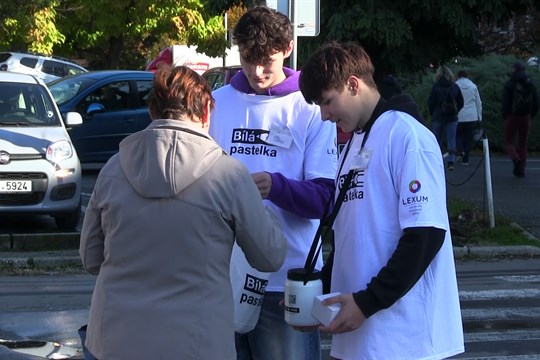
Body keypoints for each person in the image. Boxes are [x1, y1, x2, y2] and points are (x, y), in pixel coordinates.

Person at [79, 65, 287, 360]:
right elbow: (270, 256)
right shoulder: (228, 175)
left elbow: (90, 258)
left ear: (153, 112)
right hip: (199, 343)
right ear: (205, 115)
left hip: (115, 339)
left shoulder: (113, 169)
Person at [298, 41, 464, 360]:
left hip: (404, 342)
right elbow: (352, 239)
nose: (323, 115)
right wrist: (315, 296)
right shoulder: (354, 144)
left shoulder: (408, 137)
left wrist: (368, 302)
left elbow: (426, 236)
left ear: (353, 84)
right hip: (359, 340)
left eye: (327, 102)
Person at [208, 6, 337, 360]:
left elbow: (326, 200)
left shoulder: (310, 108)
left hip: (285, 281)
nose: (256, 71)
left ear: (288, 48)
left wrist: (274, 187)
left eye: (266, 60)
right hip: (221, 278)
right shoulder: (217, 103)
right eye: (248, 59)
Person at [502, 61, 539, 177]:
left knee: (509, 141)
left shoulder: (510, 83)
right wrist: (531, 114)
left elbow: (506, 102)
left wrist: (506, 115)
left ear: (513, 69)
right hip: (526, 115)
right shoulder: (530, 83)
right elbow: (536, 101)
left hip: (512, 115)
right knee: (523, 143)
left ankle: (515, 158)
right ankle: (521, 170)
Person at [428, 65, 464, 171]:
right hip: (452, 117)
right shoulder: (454, 87)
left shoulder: (436, 87)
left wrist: (432, 113)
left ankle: (436, 161)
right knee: (451, 139)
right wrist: (456, 111)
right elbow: (461, 102)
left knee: (436, 140)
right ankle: (451, 162)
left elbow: (431, 102)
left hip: (438, 116)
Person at [455, 69, 483, 165]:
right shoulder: (473, 86)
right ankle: (466, 159)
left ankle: (460, 150)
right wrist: (479, 116)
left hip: (458, 115)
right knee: (468, 138)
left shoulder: (455, 86)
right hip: (471, 116)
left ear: (458, 76)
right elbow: (478, 102)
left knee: (457, 135)